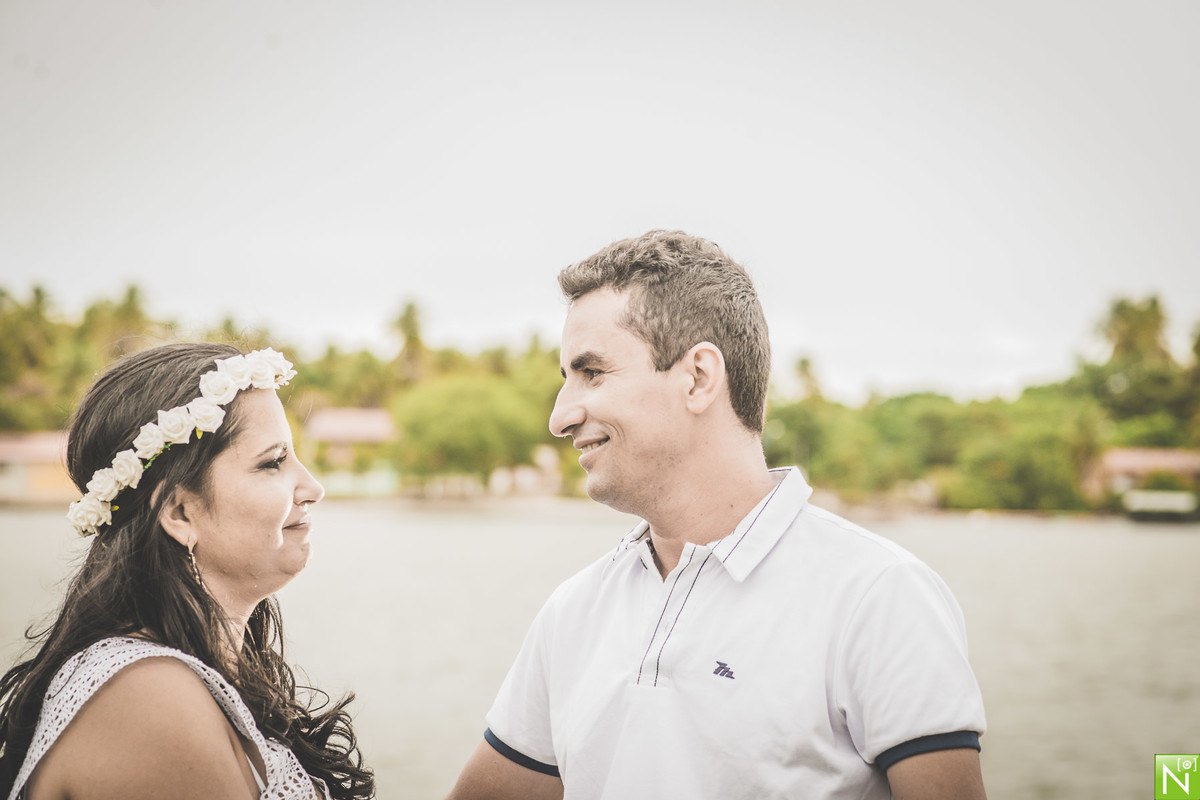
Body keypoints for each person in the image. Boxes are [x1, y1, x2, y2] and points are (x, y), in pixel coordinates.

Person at [448, 231, 987, 800]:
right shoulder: (572, 612)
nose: (559, 417)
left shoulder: (880, 595)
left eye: (592, 372)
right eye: (566, 379)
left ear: (699, 377)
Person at [0, 343, 374, 800]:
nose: (314, 486)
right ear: (178, 513)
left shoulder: (200, 674)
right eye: (273, 462)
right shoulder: (146, 699)